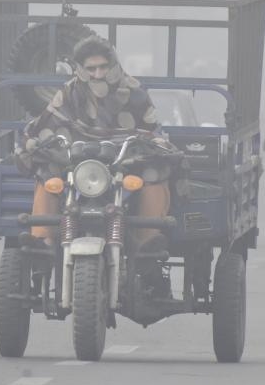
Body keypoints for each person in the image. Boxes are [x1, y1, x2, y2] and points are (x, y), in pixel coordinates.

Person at [19, 35, 173, 251]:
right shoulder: (69, 92)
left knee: (156, 170)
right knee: (47, 171)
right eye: (91, 69)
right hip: (76, 159)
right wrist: (34, 142)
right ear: (80, 68)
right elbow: (45, 124)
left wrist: (157, 143)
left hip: (125, 158)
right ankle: (42, 239)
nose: (98, 74)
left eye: (103, 67)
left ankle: (148, 241)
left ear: (113, 65)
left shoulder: (134, 91)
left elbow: (151, 130)